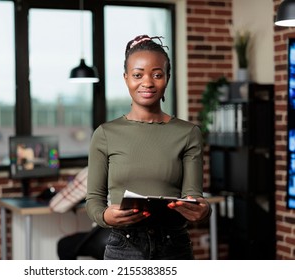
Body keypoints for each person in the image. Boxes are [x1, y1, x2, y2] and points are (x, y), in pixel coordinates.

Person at [85, 34, 211, 260]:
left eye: (157, 74)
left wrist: (203, 210)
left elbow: (192, 196)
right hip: (123, 247)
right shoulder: (105, 134)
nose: (147, 82)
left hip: (175, 247)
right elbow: (94, 199)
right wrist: (105, 216)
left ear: (167, 78)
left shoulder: (188, 133)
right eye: (137, 75)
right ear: (126, 78)